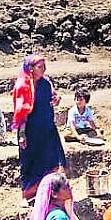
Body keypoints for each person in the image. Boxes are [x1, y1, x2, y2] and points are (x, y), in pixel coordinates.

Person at [12, 55, 67, 202]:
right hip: (31, 130)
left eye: (44, 66)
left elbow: (53, 97)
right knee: (30, 162)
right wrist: (22, 134)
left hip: (47, 128)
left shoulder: (46, 83)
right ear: (30, 68)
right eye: (40, 67)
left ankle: (49, 192)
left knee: (52, 159)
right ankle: (29, 195)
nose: (44, 69)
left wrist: (57, 99)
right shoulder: (23, 85)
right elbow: (21, 111)